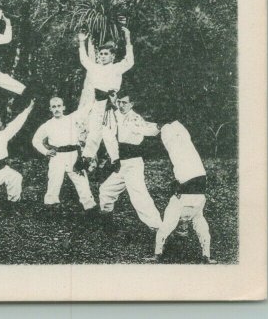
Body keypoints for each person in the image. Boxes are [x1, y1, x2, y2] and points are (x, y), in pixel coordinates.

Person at [150, 121, 216, 264]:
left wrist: (157, 255)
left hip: (197, 180)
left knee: (183, 147)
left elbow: (164, 229)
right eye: (184, 229)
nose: (184, 226)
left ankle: (170, 123)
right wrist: (207, 256)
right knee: (181, 147)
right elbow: (203, 231)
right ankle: (171, 123)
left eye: (182, 228)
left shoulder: (178, 209)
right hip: (194, 182)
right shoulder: (192, 213)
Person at [97, 92, 163, 230]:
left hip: (133, 163)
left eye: (124, 103)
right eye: (119, 102)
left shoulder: (134, 118)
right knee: (106, 190)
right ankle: (107, 224)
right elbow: (116, 116)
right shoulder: (119, 114)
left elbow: (145, 129)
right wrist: (114, 101)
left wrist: (158, 127)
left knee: (139, 198)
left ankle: (159, 230)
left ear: (131, 104)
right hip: (122, 164)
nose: (121, 105)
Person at [78, 26, 135, 164]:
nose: (102, 56)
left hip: (111, 102)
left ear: (113, 56)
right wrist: (81, 42)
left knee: (109, 133)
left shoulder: (117, 68)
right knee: (93, 132)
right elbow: (84, 60)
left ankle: (115, 160)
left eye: (106, 54)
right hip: (98, 103)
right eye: (101, 54)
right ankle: (87, 158)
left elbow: (130, 61)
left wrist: (127, 38)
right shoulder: (95, 68)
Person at [31, 97, 96, 212]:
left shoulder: (72, 118)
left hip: (73, 155)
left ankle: (90, 208)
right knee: (54, 183)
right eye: (54, 107)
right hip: (58, 157)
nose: (57, 109)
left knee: (82, 183)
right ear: (50, 109)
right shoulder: (47, 125)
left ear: (63, 107)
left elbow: (87, 108)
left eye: (59, 106)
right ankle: (51, 209)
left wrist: (99, 95)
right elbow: (35, 140)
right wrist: (46, 151)